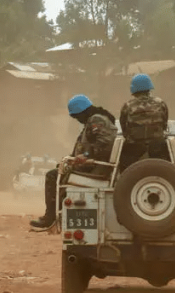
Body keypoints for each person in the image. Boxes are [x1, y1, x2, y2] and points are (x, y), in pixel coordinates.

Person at [31, 95, 117, 228]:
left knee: (52, 176)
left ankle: (50, 217)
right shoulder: (94, 120)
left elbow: (106, 145)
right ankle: (59, 213)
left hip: (96, 168)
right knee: (59, 169)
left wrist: (85, 156)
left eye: (77, 116)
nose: (77, 120)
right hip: (92, 165)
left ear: (83, 112)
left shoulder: (96, 119)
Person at [119, 74, 170, 171]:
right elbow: (164, 124)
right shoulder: (160, 103)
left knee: (123, 162)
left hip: (134, 148)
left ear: (133, 90)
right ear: (149, 88)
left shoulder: (127, 106)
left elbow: (124, 129)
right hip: (157, 147)